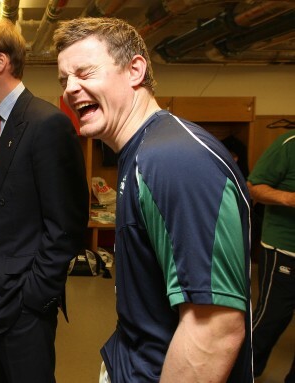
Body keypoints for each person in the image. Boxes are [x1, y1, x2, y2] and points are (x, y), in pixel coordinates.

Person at [54, 17, 253, 382]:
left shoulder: (175, 160)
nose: (70, 89)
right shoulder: (140, 152)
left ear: (135, 70)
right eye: (64, 79)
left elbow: (214, 331)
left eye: (84, 72)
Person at [0, 18, 89, 383]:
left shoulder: (47, 124)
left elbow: (68, 225)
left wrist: (35, 296)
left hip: (20, 301)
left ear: (0, 62)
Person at [247, 130, 295, 383]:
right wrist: (290, 198)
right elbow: (253, 187)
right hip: (284, 249)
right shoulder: (288, 144)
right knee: (272, 317)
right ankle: (243, 372)